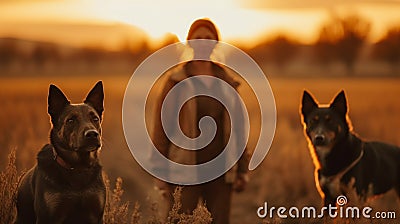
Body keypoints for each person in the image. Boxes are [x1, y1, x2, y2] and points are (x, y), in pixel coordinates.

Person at [150, 18, 250, 224]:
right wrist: (160, 171)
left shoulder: (228, 81)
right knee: (179, 220)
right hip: (184, 169)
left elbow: (239, 128)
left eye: (208, 38)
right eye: (198, 38)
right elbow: (162, 126)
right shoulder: (175, 80)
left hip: (222, 169)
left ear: (216, 43)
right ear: (189, 42)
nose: (203, 42)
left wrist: (242, 169)